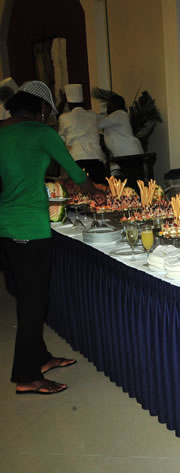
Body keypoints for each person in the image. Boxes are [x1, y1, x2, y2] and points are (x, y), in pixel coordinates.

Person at [0, 80, 102, 394]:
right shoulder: (41, 132)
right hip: (30, 229)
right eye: (48, 113)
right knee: (34, 304)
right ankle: (28, 377)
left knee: (26, 299)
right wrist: (97, 192)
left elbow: (19, 171)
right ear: (41, 109)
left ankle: (41, 358)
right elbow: (76, 174)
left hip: (4, 228)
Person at [58, 83, 106, 184]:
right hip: (96, 157)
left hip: (77, 158)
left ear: (69, 104)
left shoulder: (64, 117)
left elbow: (61, 139)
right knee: (100, 189)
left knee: (79, 193)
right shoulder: (92, 115)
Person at [97, 93, 143, 162]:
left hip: (130, 153)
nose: (107, 107)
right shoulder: (114, 118)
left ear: (114, 105)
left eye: (109, 104)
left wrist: (90, 117)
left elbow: (99, 124)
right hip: (124, 154)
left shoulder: (120, 114)